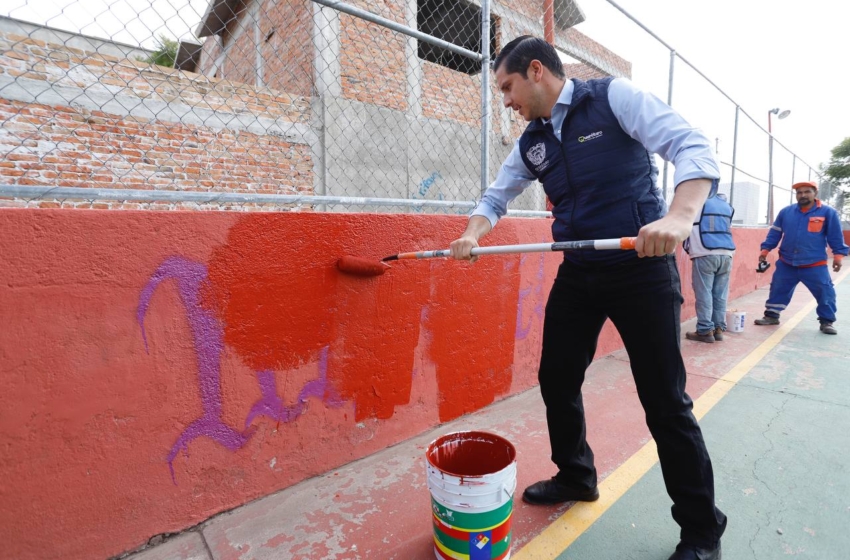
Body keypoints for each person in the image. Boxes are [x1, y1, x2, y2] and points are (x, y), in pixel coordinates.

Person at [449, 36, 726, 560]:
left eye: (507, 87)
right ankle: (576, 475)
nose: (505, 101)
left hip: (640, 269)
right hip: (580, 272)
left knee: (665, 402)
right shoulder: (533, 140)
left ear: (536, 71)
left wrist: (678, 216)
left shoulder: (613, 98)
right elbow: (496, 195)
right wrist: (471, 233)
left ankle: (701, 530)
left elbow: (692, 146)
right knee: (556, 377)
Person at [754, 181, 848, 334]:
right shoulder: (786, 212)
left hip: (814, 264)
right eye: (799, 192)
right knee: (778, 288)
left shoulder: (827, 213)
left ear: (815, 193)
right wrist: (765, 250)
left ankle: (826, 322)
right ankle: (772, 315)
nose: (802, 195)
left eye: (807, 192)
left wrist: (838, 255)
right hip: (787, 262)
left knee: (825, 291)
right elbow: (775, 232)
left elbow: (835, 235)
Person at [683, 193, 736, 343]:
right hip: (727, 253)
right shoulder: (727, 205)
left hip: (704, 252)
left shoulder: (697, 201)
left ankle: (705, 330)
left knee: (704, 293)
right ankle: (718, 329)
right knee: (720, 294)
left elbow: (684, 225)